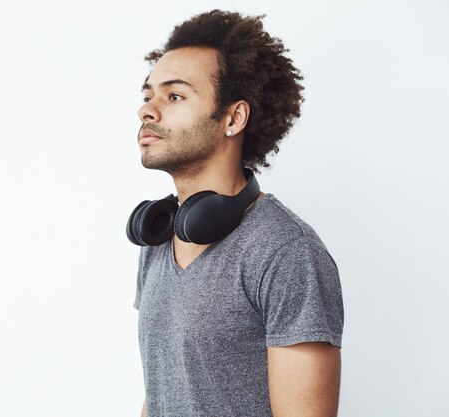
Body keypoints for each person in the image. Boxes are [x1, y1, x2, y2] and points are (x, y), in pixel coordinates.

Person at [127, 10, 344, 417]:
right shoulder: (157, 238)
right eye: (147, 96)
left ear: (233, 118)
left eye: (174, 96)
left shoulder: (285, 252)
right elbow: (162, 392)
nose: (147, 111)